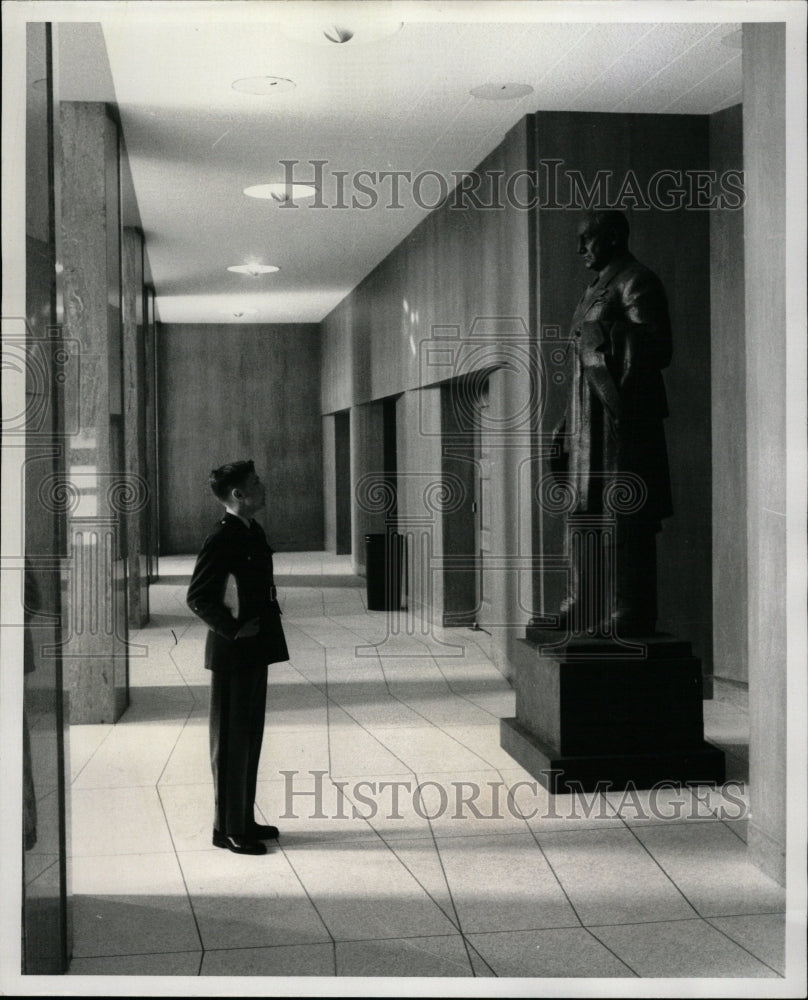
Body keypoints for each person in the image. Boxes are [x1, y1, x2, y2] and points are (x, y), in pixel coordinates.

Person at [550, 210, 673, 636]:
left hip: (622, 422)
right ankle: (584, 602)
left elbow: (657, 347)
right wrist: (566, 425)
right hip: (588, 424)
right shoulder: (595, 290)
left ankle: (632, 608)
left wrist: (609, 336)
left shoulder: (636, 281)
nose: (580, 249)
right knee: (583, 513)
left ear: (615, 237)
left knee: (625, 512)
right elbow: (583, 366)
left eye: (588, 239)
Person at [187, 460, 289, 855]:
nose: (263, 487)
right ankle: (227, 829)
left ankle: (242, 819)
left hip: (254, 647)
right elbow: (199, 596)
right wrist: (231, 628)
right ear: (238, 495)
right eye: (256, 483)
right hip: (234, 652)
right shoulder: (223, 537)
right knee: (231, 741)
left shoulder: (250, 529)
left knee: (248, 738)